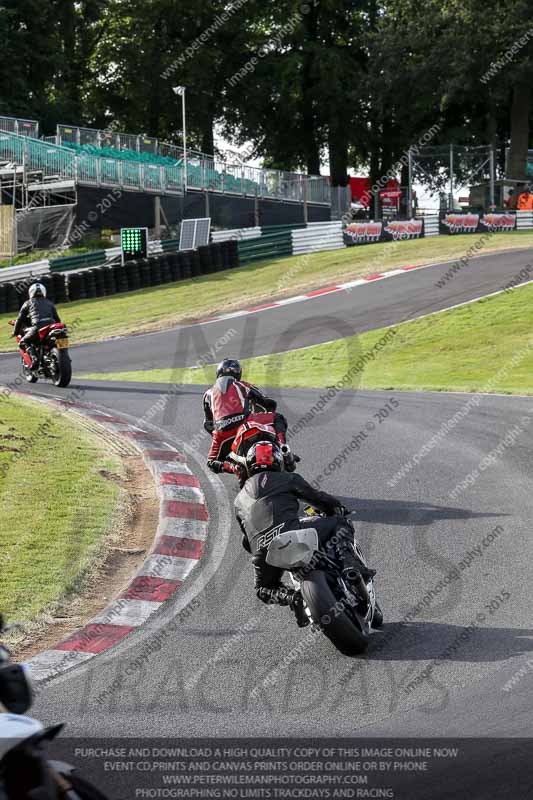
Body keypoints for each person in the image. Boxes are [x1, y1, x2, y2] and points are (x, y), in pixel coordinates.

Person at [234, 438, 375, 628]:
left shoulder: (238, 500)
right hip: (293, 535)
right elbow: (318, 499)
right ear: (278, 461)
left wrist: (260, 546)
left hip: (264, 552)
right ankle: (351, 566)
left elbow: (245, 540)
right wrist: (336, 507)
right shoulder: (288, 478)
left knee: (263, 588)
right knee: (340, 523)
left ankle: (294, 598)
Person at [203, 358, 295, 473]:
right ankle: (283, 448)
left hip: (221, 433)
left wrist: (220, 432)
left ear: (218, 372)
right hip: (244, 422)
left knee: (211, 462)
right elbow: (268, 402)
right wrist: (263, 412)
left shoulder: (208, 394)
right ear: (238, 373)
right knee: (278, 418)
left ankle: (234, 468)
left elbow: (208, 424)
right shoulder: (242, 385)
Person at [13, 283, 61, 368]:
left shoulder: (28, 303)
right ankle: (63, 355)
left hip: (38, 327)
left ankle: (34, 359)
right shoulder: (50, 303)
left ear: (31, 292)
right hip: (52, 326)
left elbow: (19, 319)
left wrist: (15, 332)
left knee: (23, 342)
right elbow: (57, 319)